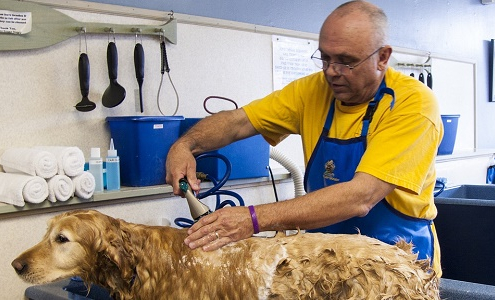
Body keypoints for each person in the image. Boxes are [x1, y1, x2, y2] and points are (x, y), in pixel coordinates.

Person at [165, 0, 443, 276]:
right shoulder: (312, 91)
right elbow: (239, 122)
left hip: (397, 268)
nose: (332, 71)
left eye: (346, 62)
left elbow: (362, 196)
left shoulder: (413, 105)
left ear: (382, 57)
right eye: (325, 58)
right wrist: (185, 145)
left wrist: (252, 219)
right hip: (327, 265)